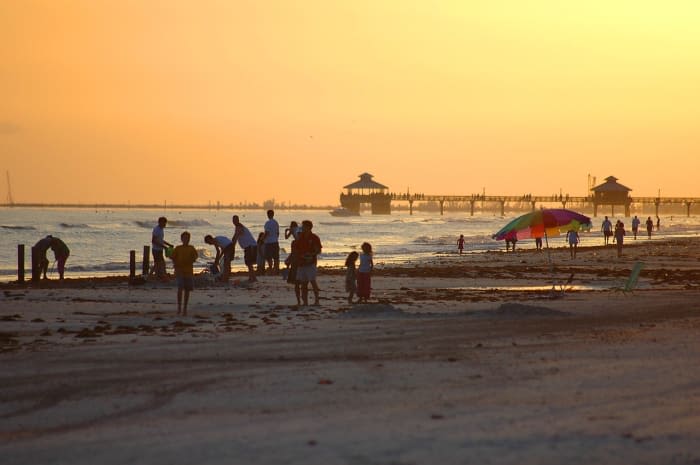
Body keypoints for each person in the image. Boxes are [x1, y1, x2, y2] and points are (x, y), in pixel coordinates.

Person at [170, 231, 198, 316]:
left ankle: (184, 308)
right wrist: (168, 251)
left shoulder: (191, 248)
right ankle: (179, 308)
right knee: (180, 288)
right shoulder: (178, 248)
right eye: (185, 238)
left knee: (187, 290)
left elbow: (195, 257)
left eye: (188, 238)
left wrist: (190, 260)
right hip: (179, 271)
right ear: (181, 239)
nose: (186, 240)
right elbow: (172, 257)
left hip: (188, 271)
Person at [296, 220, 322, 306]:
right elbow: (297, 249)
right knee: (303, 284)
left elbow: (318, 250)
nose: (302, 228)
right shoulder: (300, 237)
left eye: (303, 226)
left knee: (313, 282)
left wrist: (310, 254)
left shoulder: (314, 237)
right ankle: (305, 302)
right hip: (301, 263)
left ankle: (317, 301)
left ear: (308, 227)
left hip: (310, 263)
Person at [231, 215, 258, 283]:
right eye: (233, 220)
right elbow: (234, 237)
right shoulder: (238, 227)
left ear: (238, 220)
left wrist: (231, 248)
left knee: (249, 263)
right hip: (249, 246)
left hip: (250, 246)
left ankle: (252, 278)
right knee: (249, 263)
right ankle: (252, 277)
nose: (234, 221)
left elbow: (235, 238)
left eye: (235, 220)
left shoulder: (239, 227)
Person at [263, 209, 280, 273]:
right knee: (276, 257)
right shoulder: (276, 222)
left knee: (269, 257)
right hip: (275, 242)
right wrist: (275, 238)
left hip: (269, 242)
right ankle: (276, 270)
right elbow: (278, 233)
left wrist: (262, 240)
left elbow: (266, 233)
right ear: (273, 214)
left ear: (268, 215)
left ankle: (270, 269)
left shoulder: (268, 223)